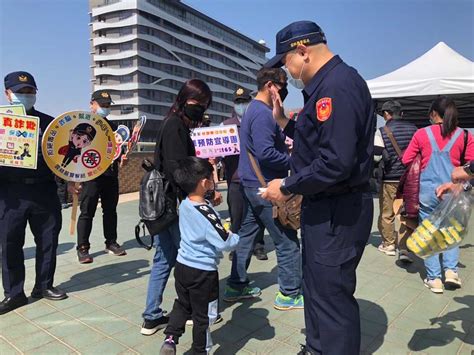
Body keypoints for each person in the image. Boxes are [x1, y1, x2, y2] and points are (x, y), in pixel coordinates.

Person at [261, 21, 375, 354]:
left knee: (331, 298)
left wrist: (287, 186)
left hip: (338, 210)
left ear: (302, 51)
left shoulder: (336, 87)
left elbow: (335, 162)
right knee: (316, 288)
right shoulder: (326, 86)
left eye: (286, 63)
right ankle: (316, 348)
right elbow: (318, 141)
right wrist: (285, 122)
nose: (287, 73)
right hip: (323, 210)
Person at [141, 79, 222, 336]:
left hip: (162, 205)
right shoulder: (175, 125)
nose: (199, 108)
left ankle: (151, 315)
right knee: (191, 258)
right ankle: (193, 310)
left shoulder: (172, 123)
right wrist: (203, 192)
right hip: (174, 204)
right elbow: (178, 169)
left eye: (204, 104)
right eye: (195, 102)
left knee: (164, 258)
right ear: (183, 99)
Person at [224, 67, 304, 311]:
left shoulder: (253, 110)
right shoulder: (262, 113)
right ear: (271, 86)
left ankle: (236, 285)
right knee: (287, 240)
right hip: (264, 186)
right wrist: (293, 160)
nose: (285, 92)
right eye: (282, 87)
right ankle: (289, 294)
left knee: (246, 236)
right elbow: (266, 153)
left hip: (250, 183)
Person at [0, 71, 68, 314]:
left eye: (30, 92)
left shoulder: (50, 123)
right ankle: (14, 293)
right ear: (8, 94)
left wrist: (73, 178)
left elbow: (64, 157)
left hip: (44, 191)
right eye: (20, 92)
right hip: (10, 194)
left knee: (48, 241)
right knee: (9, 244)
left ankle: (44, 286)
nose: (25, 96)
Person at [159, 157, 239, 355]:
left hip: (183, 266)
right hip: (202, 272)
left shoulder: (185, 204)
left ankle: (171, 337)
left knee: (182, 304)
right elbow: (225, 242)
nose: (214, 181)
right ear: (204, 183)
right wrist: (235, 236)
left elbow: (202, 218)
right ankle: (199, 351)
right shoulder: (206, 212)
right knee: (202, 316)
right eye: (211, 178)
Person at [402, 96, 474, 293]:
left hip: (427, 192)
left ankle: (434, 279)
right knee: (450, 231)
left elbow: (406, 158)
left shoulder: (421, 134)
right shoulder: (465, 135)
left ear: (434, 114)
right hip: (453, 190)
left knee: (429, 233)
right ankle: (451, 271)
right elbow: (471, 163)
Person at [69, 90, 127, 264]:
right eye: (102, 105)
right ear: (92, 104)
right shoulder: (82, 126)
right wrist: (72, 178)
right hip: (91, 176)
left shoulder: (114, 129)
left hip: (110, 175)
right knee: (87, 212)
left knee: (110, 210)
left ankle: (111, 242)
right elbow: (73, 150)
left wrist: (123, 156)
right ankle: (82, 248)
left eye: (108, 106)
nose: (105, 108)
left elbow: (119, 150)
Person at [223, 87, 267, 261]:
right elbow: (215, 153)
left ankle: (258, 246)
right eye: (238, 102)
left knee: (258, 213)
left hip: (256, 178)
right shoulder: (226, 126)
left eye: (244, 102)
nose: (241, 105)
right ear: (234, 105)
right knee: (237, 215)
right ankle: (236, 247)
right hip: (235, 179)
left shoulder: (258, 121)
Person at [376, 100, 417, 261]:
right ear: (402, 113)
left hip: (389, 179)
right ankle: (404, 245)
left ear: (387, 114)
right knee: (407, 212)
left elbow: (376, 156)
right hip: (410, 179)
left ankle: (389, 244)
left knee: (387, 213)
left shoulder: (382, 131)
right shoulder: (414, 130)